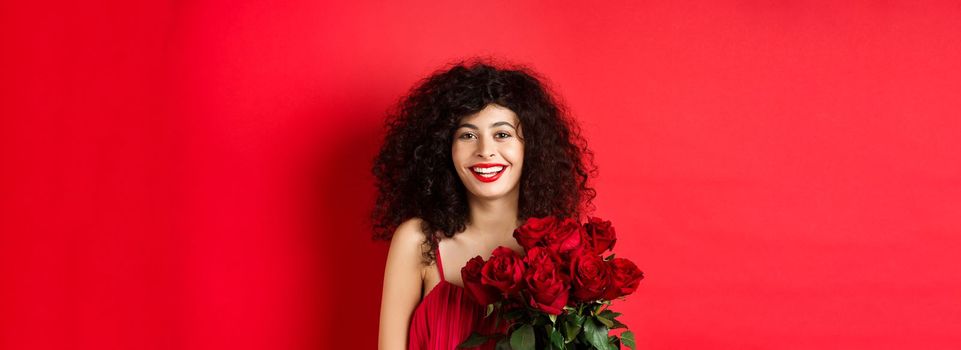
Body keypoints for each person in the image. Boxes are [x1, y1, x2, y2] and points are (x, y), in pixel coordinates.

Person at [371, 58, 597, 350]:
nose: (485, 151)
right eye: (467, 135)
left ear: (532, 146)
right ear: (444, 149)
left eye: (502, 134)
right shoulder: (417, 241)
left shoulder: (560, 247)